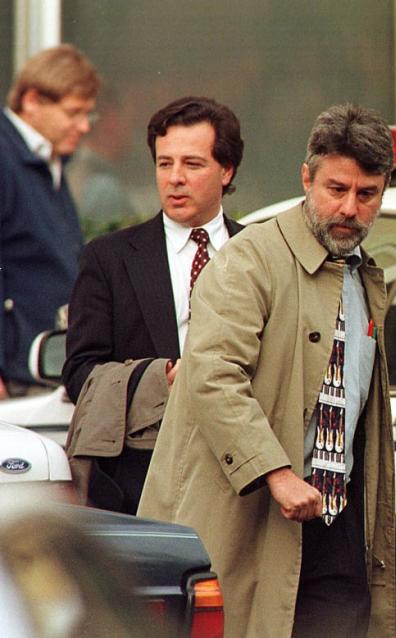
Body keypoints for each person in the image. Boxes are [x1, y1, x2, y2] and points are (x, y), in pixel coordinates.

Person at [138, 104, 396, 638]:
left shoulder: (365, 275)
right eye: (335, 189)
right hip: (251, 515)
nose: (349, 208)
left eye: (366, 194)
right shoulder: (248, 260)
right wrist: (277, 475)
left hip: (337, 522)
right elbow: (212, 376)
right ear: (306, 178)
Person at [61, 96, 245, 515]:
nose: (175, 179)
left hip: (241, 480)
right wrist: (159, 378)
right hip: (142, 482)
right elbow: (79, 374)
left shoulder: (260, 254)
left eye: (192, 164)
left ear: (226, 170)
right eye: (165, 164)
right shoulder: (108, 258)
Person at [0, 44, 100, 398]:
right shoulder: (6, 156)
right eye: (73, 112)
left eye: (88, 114)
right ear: (31, 101)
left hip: (43, 369)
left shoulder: (49, 158)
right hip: (14, 377)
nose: (84, 126)